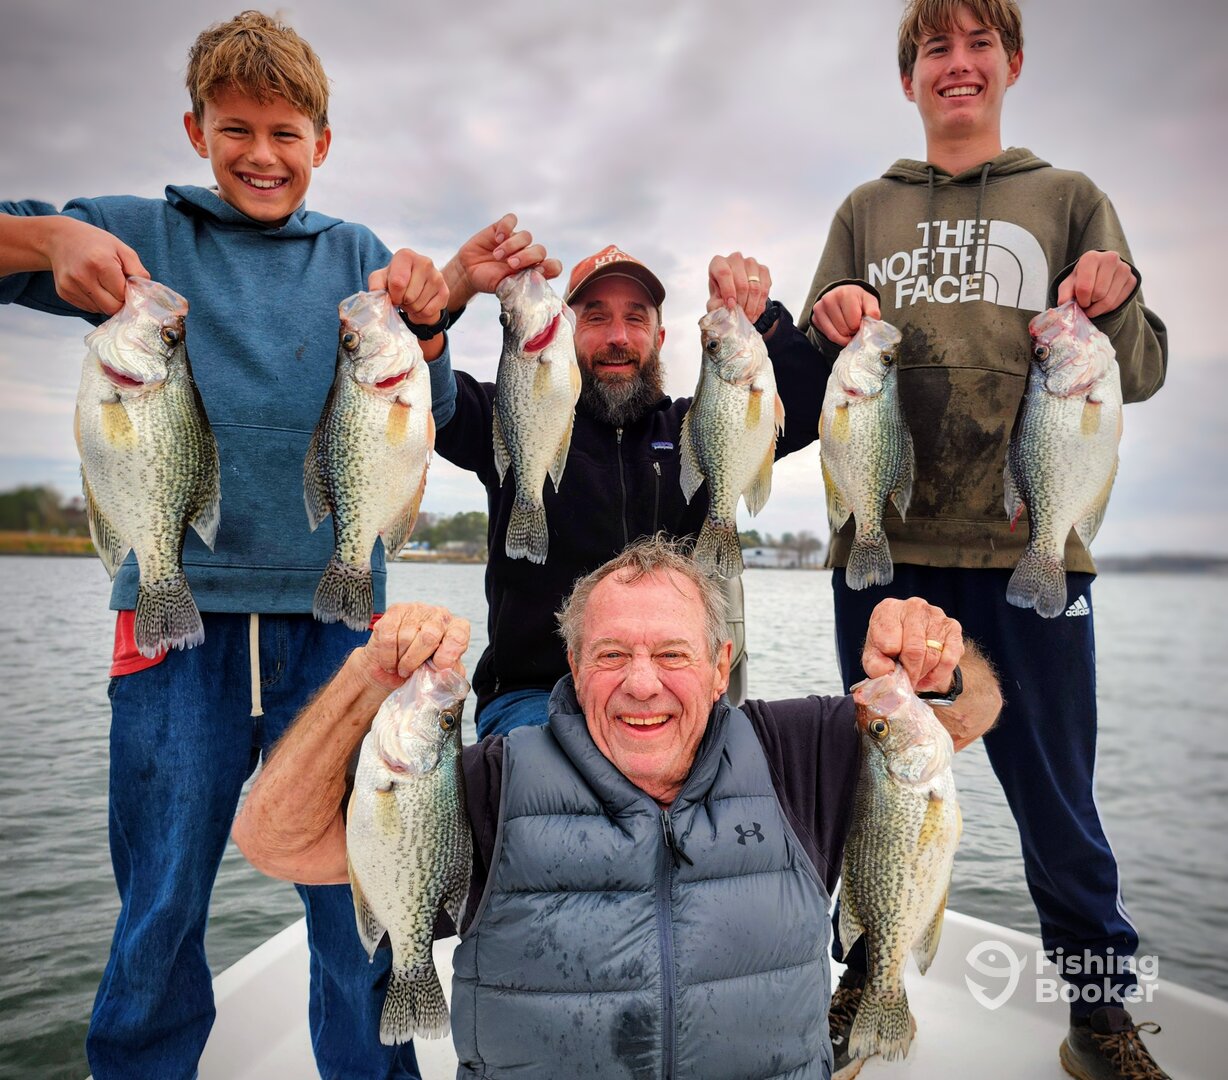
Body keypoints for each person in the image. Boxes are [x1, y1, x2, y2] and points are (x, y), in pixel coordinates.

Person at [0, 12, 538, 1078]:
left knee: (355, 904)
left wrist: (437, 318)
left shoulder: (358, 261)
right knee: (159, 904)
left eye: (286, 132)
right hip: (172, 632)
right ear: (195, 129)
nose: (260, 153)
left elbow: (416, 408)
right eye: (235, 128)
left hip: (339, 632)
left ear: (322, 143)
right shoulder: (130, 231)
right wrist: (52, 237)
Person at [232, 535, 1003, 1079]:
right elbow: (276, 844)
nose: (642, 684)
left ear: (718, 666)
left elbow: (971, 714)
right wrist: (368, 675)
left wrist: (938, 661)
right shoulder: (490, 784)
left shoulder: (797, 753)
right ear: (571, 664)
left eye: (672, 654)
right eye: (611, 655)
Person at [793, 2, 1169, 1077]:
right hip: (886, 551)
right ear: (908, 76)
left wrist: (1122, 292)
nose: (955, 66)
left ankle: (1096, 1017)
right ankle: (862, 986)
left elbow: (1134, 371)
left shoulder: (1071, 198)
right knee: (874, 791)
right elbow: (829, 373)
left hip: (1029, 553)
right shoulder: (866, 209)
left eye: (974, 46)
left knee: (1057, 799)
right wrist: (835, 310)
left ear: (1010, 62)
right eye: (932, 49)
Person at [425, 227, 826, 736]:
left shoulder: (700, 427)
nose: (617, 337)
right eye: (596, 317)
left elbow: (813, 406)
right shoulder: (512, 408)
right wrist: (451, 289)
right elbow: (425, 397)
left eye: (635, 318)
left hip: (669, 692)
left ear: (659, 338)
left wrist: (766, 322)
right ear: (565, 330)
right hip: (534, 695)